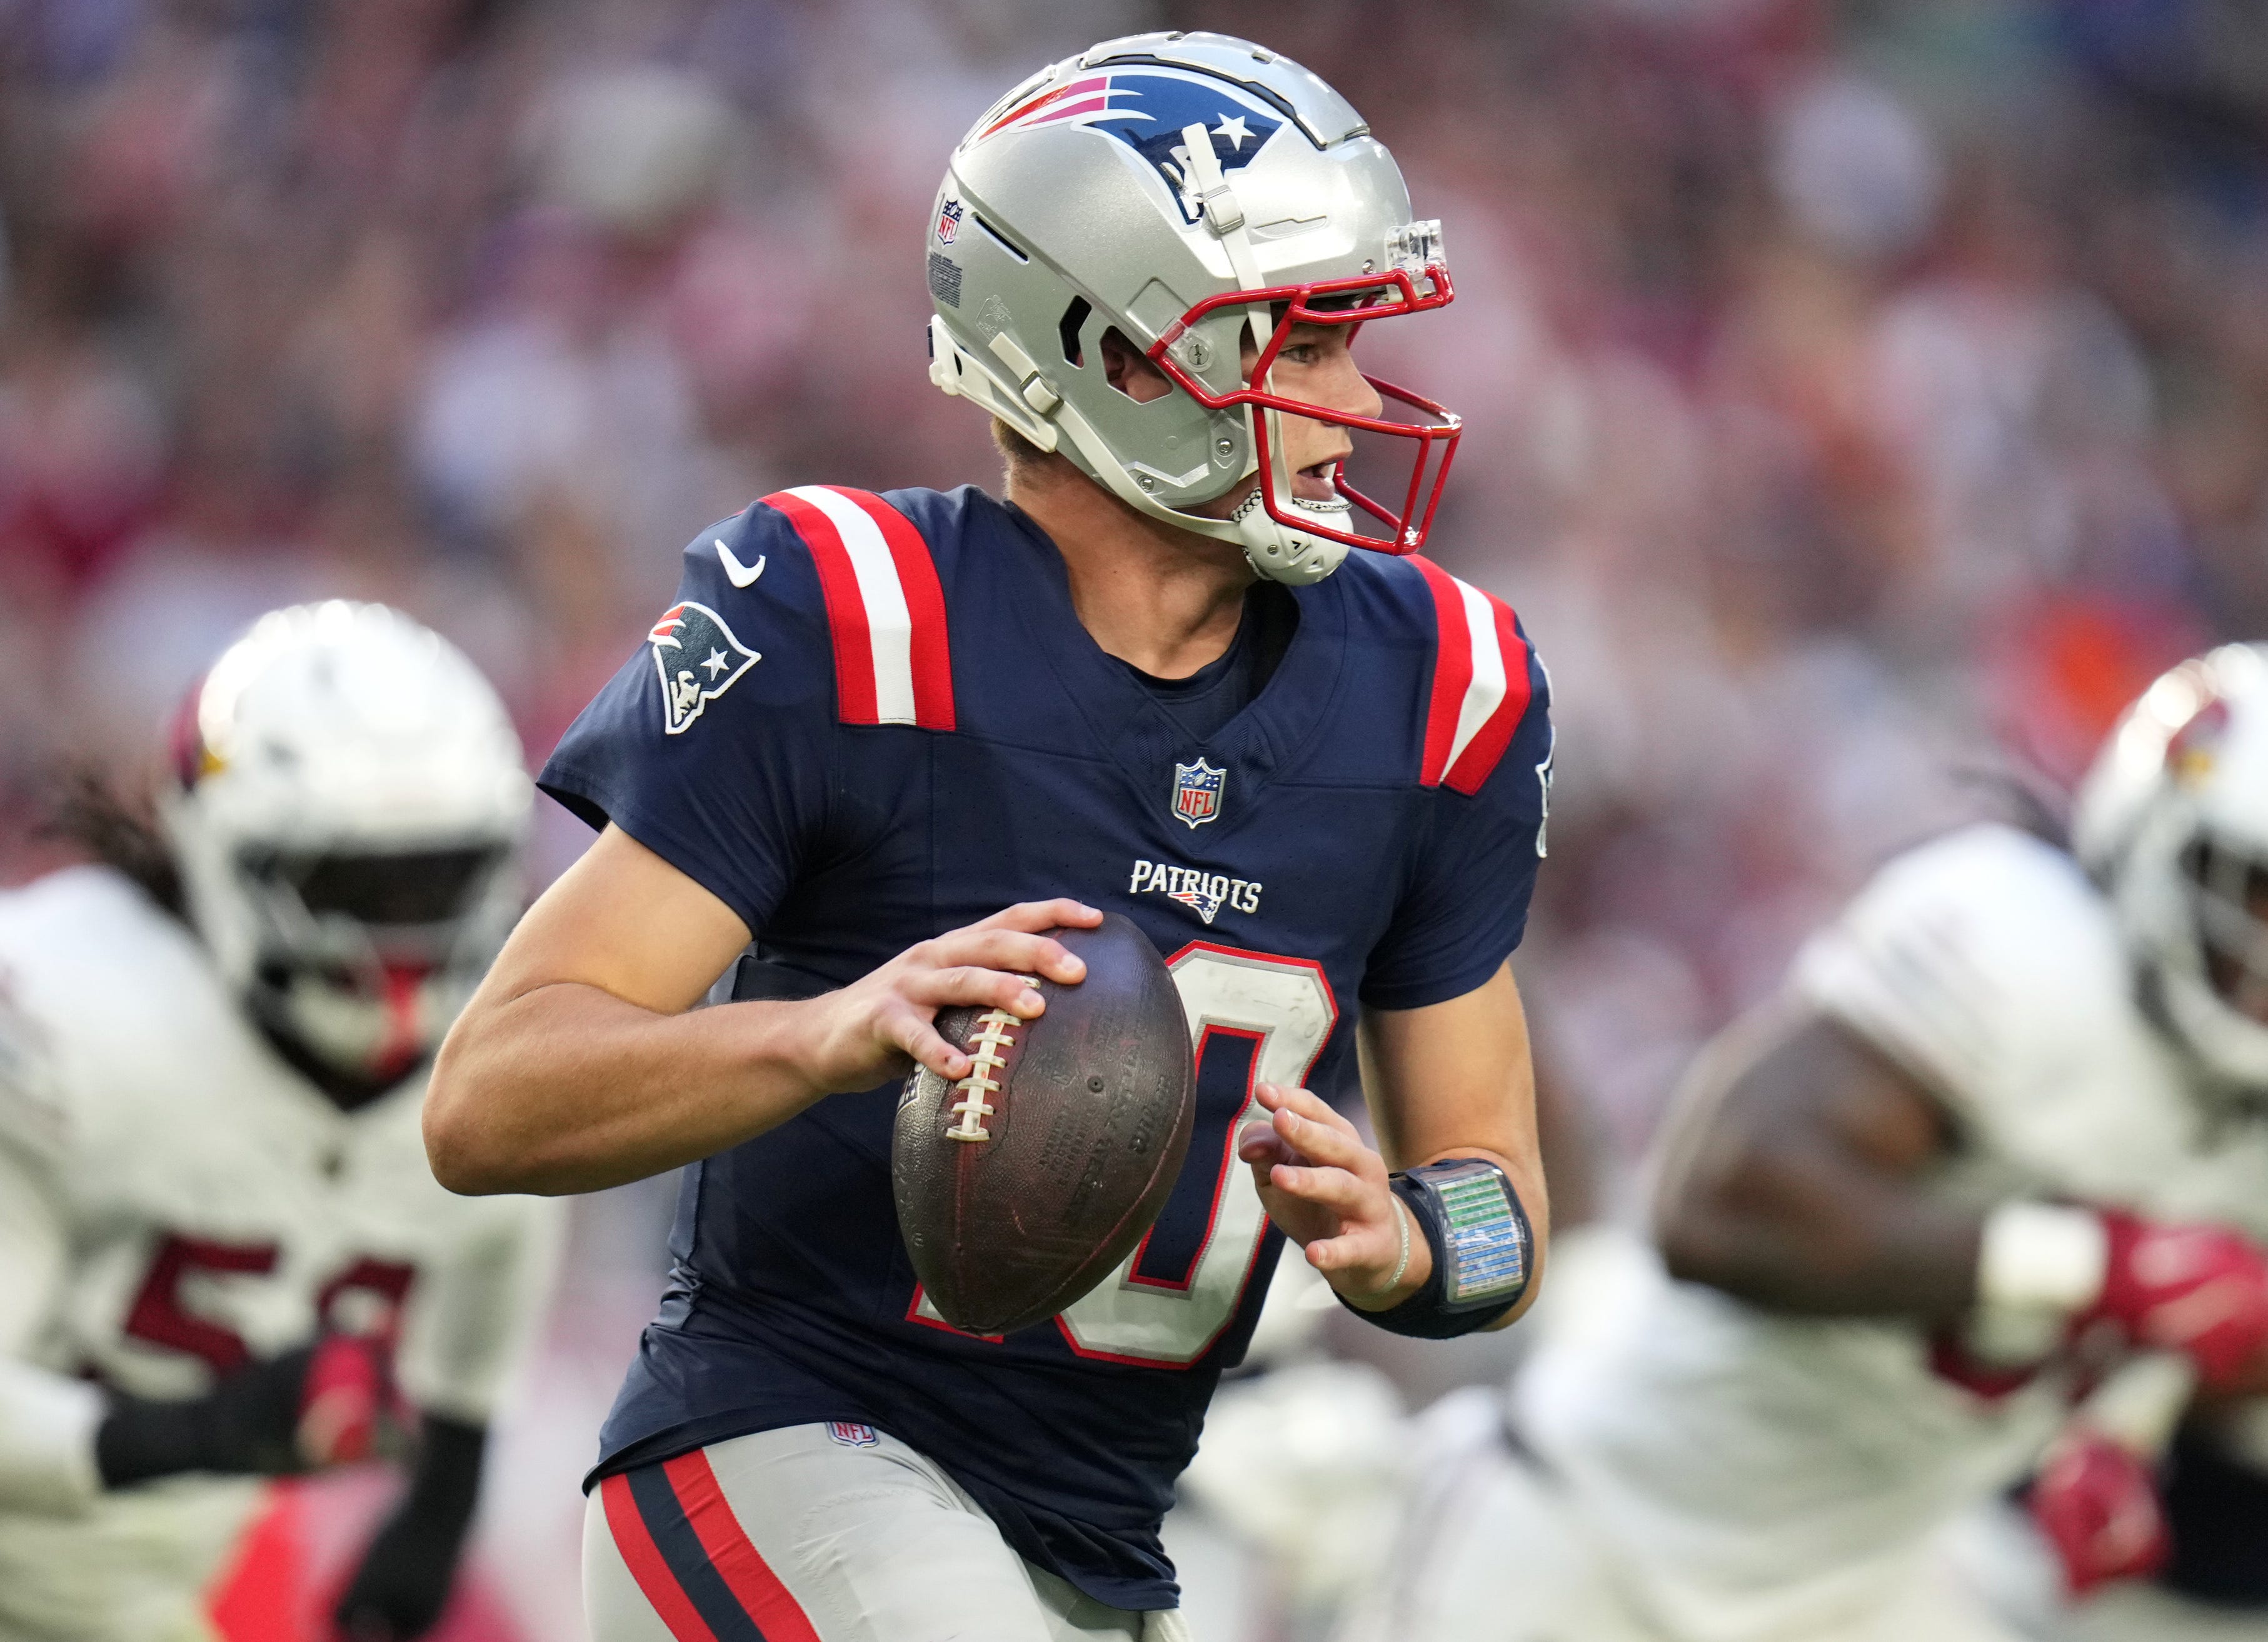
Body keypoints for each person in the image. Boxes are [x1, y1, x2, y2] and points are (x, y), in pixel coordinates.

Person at [421, 29, 1556, 1642]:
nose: (1355, 404)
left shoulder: (1440, 685)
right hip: (781, 1450)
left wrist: (1397, 1241)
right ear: (1106, 345)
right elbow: (490, 1098)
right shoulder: (852, 617)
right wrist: (820, 1033)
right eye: (1297, 346)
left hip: (1100, 1533)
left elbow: (1497, 1201)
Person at [1342, 643, 2268, 1642]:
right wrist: (2094, 1265)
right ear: (2164, 837)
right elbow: (1719, 1204)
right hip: (1597, 1531)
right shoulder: (2028, 949)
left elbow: (2194, 1296)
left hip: (1867, 1588)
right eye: (2258, 888)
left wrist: (2116, 1433)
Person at [0, 602, 561, 1642]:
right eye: (354, 883)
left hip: (128, 1606)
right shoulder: (60, 1010)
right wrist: (203, 1431)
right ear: (229, 853)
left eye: (436, 879)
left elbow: (499, 1246)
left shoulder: (485, 1073)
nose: (404, 929)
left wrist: (443, 1497)